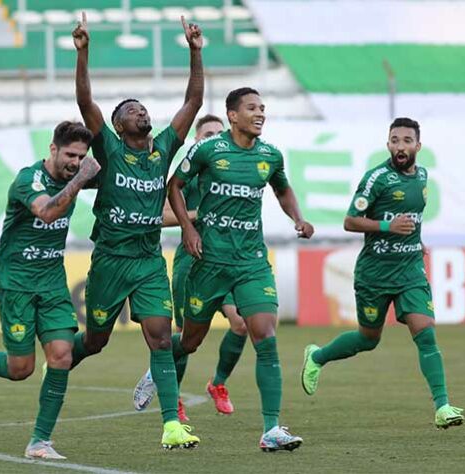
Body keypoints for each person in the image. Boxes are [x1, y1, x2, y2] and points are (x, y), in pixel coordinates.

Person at [139, 87, 314, 452]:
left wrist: (298, 217)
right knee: (189, 341)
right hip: (209, 264)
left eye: (263, 108)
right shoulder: (209, 151)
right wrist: (188, 229)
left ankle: (271, 429)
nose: (260, 113)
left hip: (251, 263)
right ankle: (158, 364)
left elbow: (282, 189)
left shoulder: (271, 155)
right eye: (252, 108)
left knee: (264, 336)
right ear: (233, 115)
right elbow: (175, 185)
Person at [69, 12, 204, 450]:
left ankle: (170, 424)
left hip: (147, 260)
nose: (140, 111)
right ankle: (58, 361)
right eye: (130, 110)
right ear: (118, 125)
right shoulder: (108, 148)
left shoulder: (162, 149)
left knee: (161, 337)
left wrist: (196, 53)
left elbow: (193, 104)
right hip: (110, 261)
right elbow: (86, 103)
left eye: (142, 107)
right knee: (95, 341)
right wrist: (83, 53)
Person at [300, 117, 464, 429]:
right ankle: (317, 356)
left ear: (418, 145)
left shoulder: (423, 177)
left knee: (425, 331)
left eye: (406, 140)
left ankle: (443, 406)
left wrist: (417, 241)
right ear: (387, 143)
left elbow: (411, 219)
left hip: (410, 270)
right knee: (368, 338)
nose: (400, 146)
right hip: (374, 275)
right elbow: (350, 221)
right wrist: (388, 226)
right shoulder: (376, 179)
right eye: (394, 140)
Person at [0, 122, 100, 460]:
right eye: (70, 155)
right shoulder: (27, 180)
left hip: (51, 282)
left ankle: (39, 442)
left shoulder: (75, 176)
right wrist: (80, 180)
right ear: (52, 149)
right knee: (21, 369)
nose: (75, 163)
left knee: (61, 355)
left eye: (81, 157)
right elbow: (47, 212)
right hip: (16, 282)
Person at [134, 115, 248, 422]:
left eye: (218, 133)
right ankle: (175, 394)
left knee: (241, 323)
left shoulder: (235, 173)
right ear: (197, 141)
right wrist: (199, 215)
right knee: (187, 338)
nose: (213, 138)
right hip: (193, 262)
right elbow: (159, 214)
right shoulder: (186, 177)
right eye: (206, 134)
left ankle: (218, 383)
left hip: (228, 262)